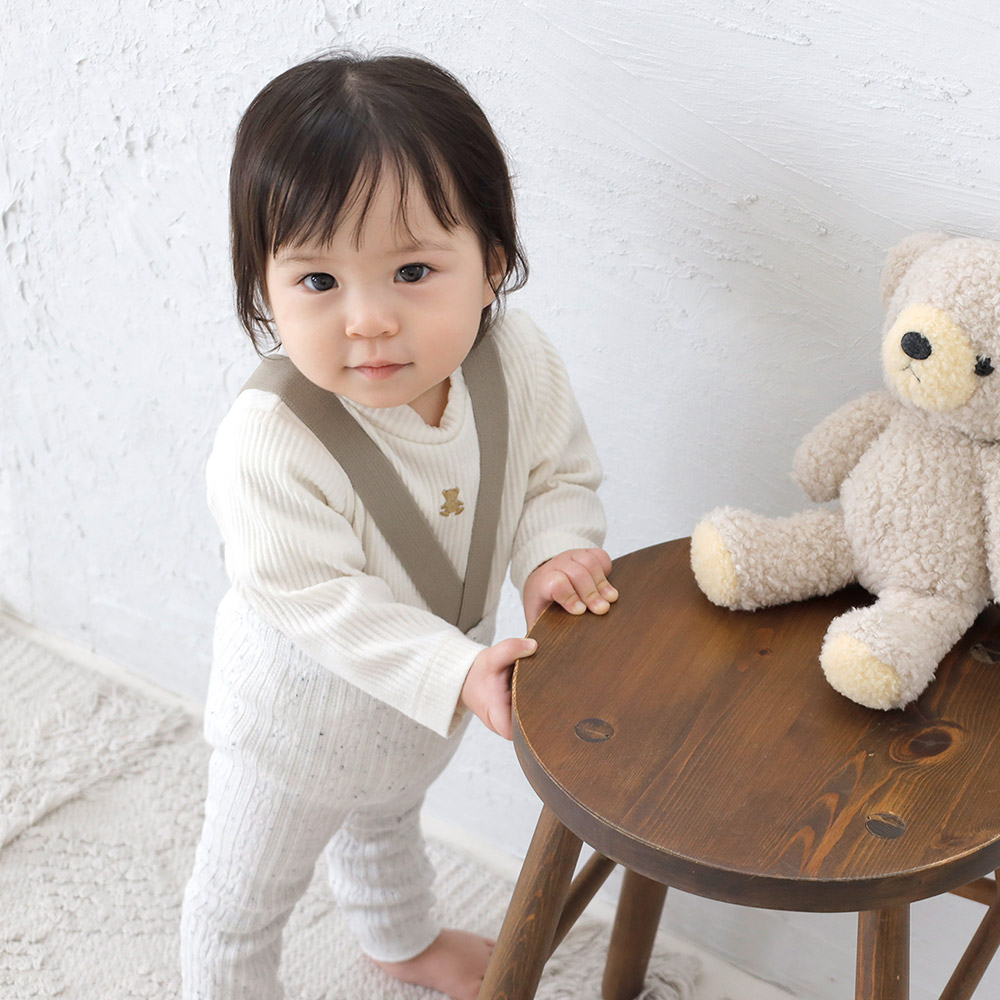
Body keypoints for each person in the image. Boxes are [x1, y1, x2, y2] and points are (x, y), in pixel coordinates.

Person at [180, 51, 615, 1000]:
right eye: (317, 281)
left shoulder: (516, 361)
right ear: (262, 287)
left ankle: (402, 940)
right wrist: (455, 670)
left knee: (386, 823)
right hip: (292, 733)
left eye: (413, 270)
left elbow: (553, 475)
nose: (369, 319)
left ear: (492, 263)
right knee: (238, 905)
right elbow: (315, 597)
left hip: (424, 712)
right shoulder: (271, 440)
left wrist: (552, 554)